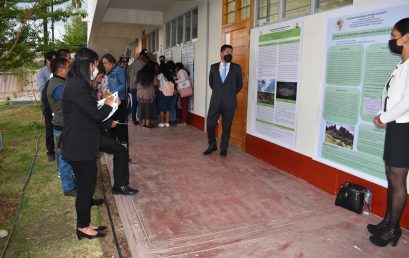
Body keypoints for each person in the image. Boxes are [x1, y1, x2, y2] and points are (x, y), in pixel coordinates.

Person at [62, 48, 117, 239]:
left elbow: (89, 110)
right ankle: (82, 228)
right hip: (78, 145)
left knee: (87, 187)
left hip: (82, 143)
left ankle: (85, 223)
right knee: (85, 188)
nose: (96, 68)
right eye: (94, 64)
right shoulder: (78, 86)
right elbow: (94, 115)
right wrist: (111, 105)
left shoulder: (80, 84)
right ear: (87, 64)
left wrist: (104, 103)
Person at [370, 18, 409, 247]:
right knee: (390, 175)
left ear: (407, 37)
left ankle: (393, 230)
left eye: (395, 36)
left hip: (405, 128)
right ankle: (387, 221)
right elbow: (391, 98)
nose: (392, 40)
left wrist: (384, 117)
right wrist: (383, 115)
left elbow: (407, 101)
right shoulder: (402, 65)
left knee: (397, 179)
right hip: (396, 125)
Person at [203, 44, 242, 157]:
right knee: (210, 124)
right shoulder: (214, 67)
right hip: (215, 101)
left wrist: (229, 94)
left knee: (226, 126)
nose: (229, 54)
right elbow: (212, 83)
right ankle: (212, 145)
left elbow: (239, 85)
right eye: (227, 51)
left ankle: (224, 147)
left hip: (229, 102)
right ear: (221, 53)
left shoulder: (236, 67)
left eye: (231, 52)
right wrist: (219, 93)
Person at [46, 58, 76, 196]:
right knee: (65, 158)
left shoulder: (58, 82)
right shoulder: (58, 86)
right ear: (60, 69)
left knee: (63, 156)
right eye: (67, 67)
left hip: (61, 125)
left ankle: (69, 182)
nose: (68, 70)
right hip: (62, 126)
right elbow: (71, 101)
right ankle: (68, 187)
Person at [101, 54, 128, 144]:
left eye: (106, 63)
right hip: (110, 100)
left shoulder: (119, 70)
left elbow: (123, 85)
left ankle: (122, 140)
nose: (104, 65)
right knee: (111, 120)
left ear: (111, 62)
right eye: (103, 63)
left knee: (119, 120)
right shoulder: (107, 72)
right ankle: (112, 139)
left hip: (119, 99)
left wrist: (113, 93)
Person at [37, 50, 57, 161]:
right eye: (52, 61)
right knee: (49, 129)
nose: (54, 63)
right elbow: (41, 88)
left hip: (58, 104)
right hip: (47, 106)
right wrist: (52, 79)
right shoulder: (41, 72)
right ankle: (50, 152)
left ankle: (62, 149)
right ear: (47, 60)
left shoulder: (59, 70)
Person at [128, 51, 149, 124]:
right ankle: (141, 119)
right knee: (141, 103)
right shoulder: (144, 65)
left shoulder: (132, 64)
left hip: (132, 86)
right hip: (140, 87)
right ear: (143, 56)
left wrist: (130, 81)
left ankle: (133, 118)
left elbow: (127, 73)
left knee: (134, 103)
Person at [136, 61, 159, 128]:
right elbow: (155, 83)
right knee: (149, 108)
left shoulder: (139, 72)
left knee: (142, 107)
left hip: (140, 93)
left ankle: (144, 123)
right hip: (149, 93)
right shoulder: (152, 74)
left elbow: (135, 80)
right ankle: (148, 123)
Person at [157, 63, 174, 127]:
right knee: (167, 108)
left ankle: (162, 123)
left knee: (162, 109)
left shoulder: (160, 75)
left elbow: (158, 84)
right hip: (169, 93)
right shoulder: (170, 74)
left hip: (162, 93)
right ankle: (167, 123)